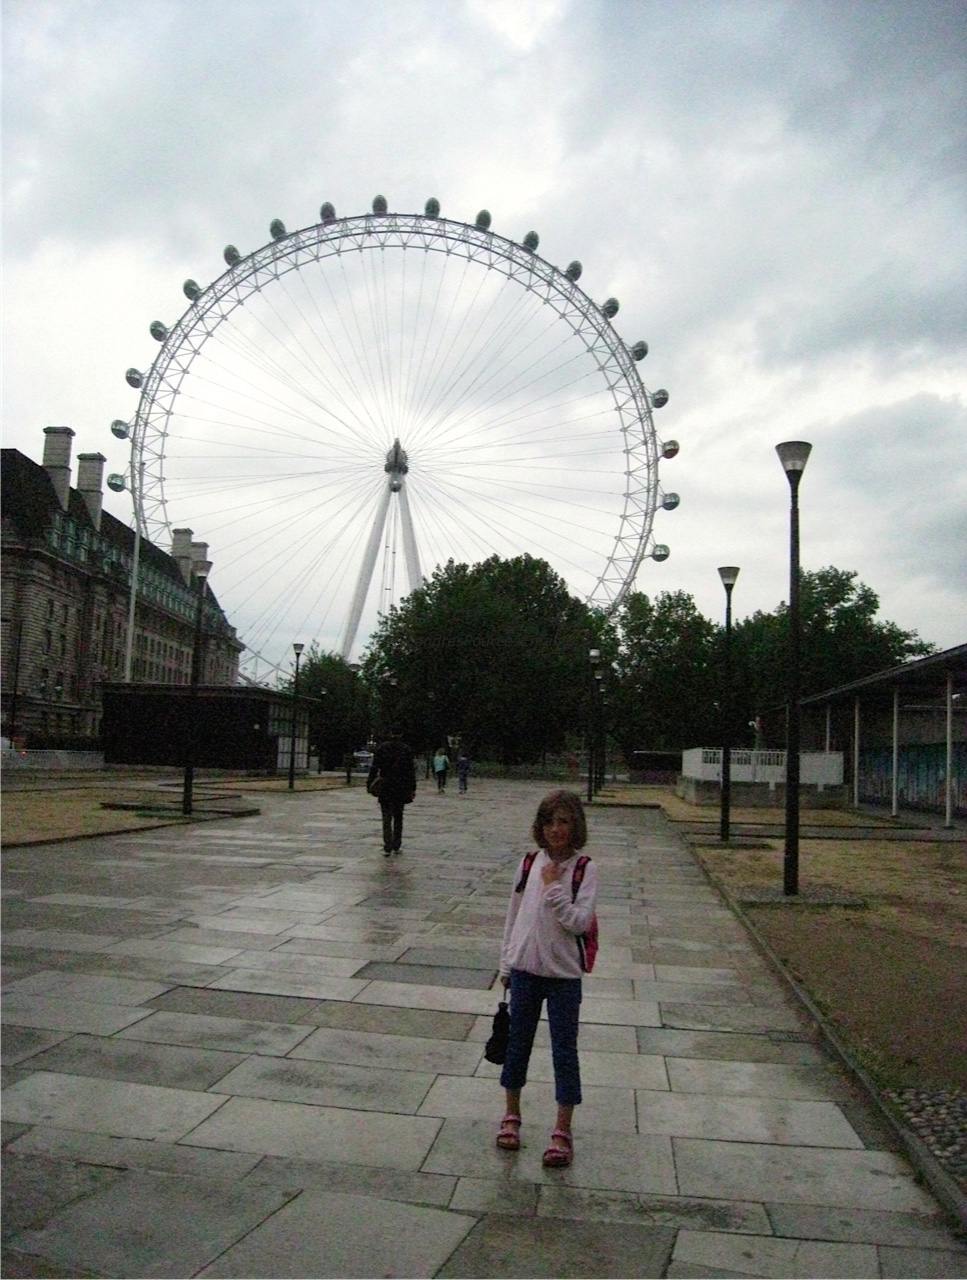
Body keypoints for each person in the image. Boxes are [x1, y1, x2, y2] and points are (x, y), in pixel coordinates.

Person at [495, 789, 598, 1169]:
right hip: (524, 971)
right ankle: (511, 1115)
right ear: (541, 826)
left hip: (563, 977)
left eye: (565, 822)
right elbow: (514, 917)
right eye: (550, 821)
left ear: (576, 826)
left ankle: (562, 1130)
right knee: (516, 1045)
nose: (556, 829)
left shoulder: (584, 868)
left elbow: (579, 922)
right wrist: (506, 965)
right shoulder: (527, 863)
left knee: (564, 1051)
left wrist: (555, 886)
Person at [368, 728, 416, 855]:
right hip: (401, 785)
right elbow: (411, 771)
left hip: (385, 784)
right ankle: (397, 843)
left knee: (386, 816)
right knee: (399, 815)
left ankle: (387, 844)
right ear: (401, 733)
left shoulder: (381, 748)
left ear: (389, 733)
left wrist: (370, 783)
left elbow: (374, 767)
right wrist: (413, 787)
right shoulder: (406, 749)